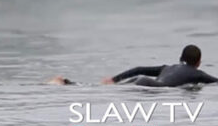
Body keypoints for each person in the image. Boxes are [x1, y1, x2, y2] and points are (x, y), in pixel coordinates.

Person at [48, 44, 218, 87]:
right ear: (198, 63)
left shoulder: (168, 67)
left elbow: (138, 69)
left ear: (180, 58)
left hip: (141, 80)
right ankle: (65, 83)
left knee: (103, 88)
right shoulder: (197, 74)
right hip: (150, 87)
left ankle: (67, 83)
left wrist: (114, 79)